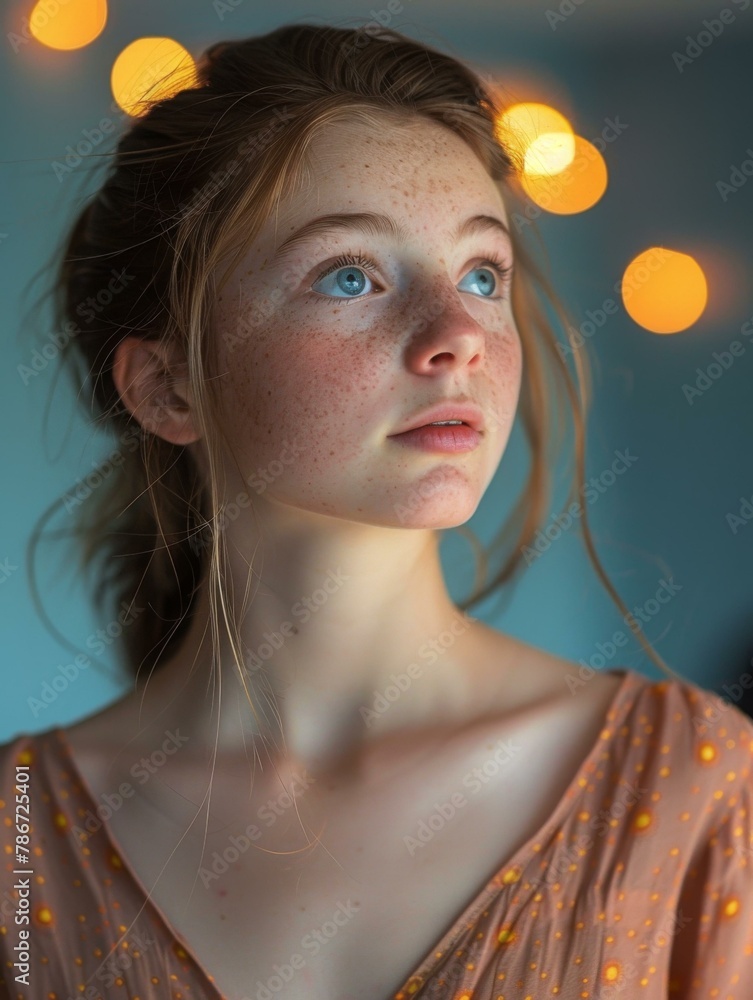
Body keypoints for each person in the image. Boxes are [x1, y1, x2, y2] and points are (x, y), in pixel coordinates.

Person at [2, 21, 752, 1000]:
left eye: (483, 275)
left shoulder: (694, 784)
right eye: (350, 275)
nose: (458, 337)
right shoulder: (20, 841)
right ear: (168, 388)